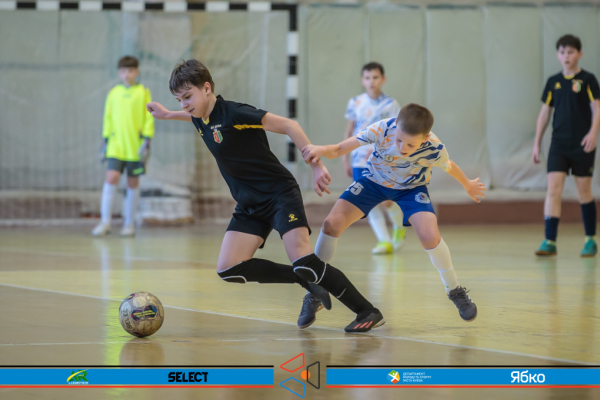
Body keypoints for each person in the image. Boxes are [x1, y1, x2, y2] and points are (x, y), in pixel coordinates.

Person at [146, 60, 384, 332]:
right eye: (179, 100)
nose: (184, 104)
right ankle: (305, 281)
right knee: (229, 268)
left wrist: (316, 165)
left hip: (279, 194)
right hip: (249, 203)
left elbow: (290, 125)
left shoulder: (235, 113)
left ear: (207, 88)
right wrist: (168, 114)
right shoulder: (200, 117)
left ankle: (367, 310)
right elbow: (192, 116)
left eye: (187, 97)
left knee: (304, 260)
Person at [302, 103, 484, 323]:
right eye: (398, 140)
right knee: (331, 224)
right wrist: (322, 149)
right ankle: (315, 290)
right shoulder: (382, 129)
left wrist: (467, 184)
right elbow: (340, 148)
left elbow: (449, 165)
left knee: (430, 236)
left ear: (425, 139)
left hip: (411, 189)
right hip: (373, 182)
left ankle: (454, 290)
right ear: (396, 125)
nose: (402, 147)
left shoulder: (434, 148)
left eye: (410, 144)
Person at [533, 34, 600, 257]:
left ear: (579, 54)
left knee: (584, 191)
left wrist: (593, 133)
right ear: (558, 55)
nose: (566, 56)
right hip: (559, 145)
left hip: (582, 144)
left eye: (571, 52)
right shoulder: (553, 82)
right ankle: (549, 241)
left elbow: (596, 108)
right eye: (562, 52)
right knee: (553, 189)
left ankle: (590, 240)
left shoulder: (588, 80)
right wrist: (536, 143)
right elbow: (544, 114)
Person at [344, 62, 405, 254]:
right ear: (362, 80)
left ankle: (399, 227)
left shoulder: (391, 104)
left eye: (375, 77)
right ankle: (384, 241)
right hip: (359, 158)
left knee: (386, 199)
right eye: (368, 78)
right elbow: (349, 130)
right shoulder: (355, 102)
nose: (372, 81)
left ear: (383, 79)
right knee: (367, 200)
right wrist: (345, 158)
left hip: (382, 157)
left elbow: (397, 133)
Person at [93, 56, 154, 237]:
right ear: (119, 73)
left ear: (137, 72)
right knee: (111, 178)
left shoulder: (143, 92)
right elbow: (107, 117)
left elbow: (149, 117)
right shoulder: (114, 93)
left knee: (132, 182)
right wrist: (106, 141)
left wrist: (147, 140)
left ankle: (129, 224)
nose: (126, 74)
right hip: (116, 146)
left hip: (135, 147)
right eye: (123, 71)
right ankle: (105, 222)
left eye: (130, 71)